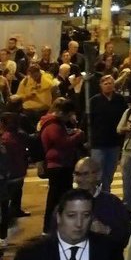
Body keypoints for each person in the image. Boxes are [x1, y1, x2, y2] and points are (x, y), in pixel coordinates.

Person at [45, 158, 131, 253]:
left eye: (86, 174)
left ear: (98, 175)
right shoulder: (65, 204)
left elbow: (125, 239)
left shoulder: (113, 203)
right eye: (77, 174)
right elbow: (53, 237)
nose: (81, 179)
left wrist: (107, 231)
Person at [13, 187, 120, 260]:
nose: (79, 223)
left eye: (85, 215)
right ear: (59, 217)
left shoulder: (109, 250)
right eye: (71, 215)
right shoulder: (30, 253)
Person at [39, 98, 85, 234]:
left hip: (60, 164)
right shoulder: (53, 125)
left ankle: (55, 226)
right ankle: (49, 228)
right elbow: (63, 143)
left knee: (60, 197)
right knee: (56, 198)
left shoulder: (54, 123)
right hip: (58, 165)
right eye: (68, 115)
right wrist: (78, 135)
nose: (68, 118)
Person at [87, 75, 126, 194]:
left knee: (110, 172)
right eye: (105, 84)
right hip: (98, 142)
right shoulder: (94, 101)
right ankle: (96, 195)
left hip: (114, 142)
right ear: (101, 86)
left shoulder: (120, 100)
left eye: (110, 83)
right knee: (97, 172)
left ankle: (106, 193)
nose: (108, 86)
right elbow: (88, 120)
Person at [0, 113, 27, 229]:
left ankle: (5, 231)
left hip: (10, 174)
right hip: (17, 172)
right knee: (8, 202)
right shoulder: (18, 136)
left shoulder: (5, 139)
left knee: (5, 203)